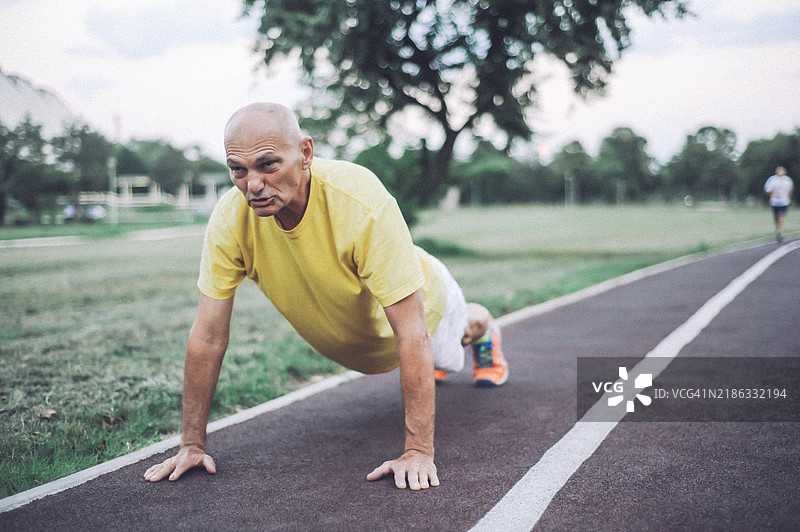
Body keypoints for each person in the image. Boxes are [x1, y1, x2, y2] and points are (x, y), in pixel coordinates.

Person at [143, 102, 508, 491]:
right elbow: (209, 335)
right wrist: (192, 443)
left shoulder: (360, 199)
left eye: (268, 165)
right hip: (361, 339)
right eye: (238, 169)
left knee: (454, 343)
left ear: (305, 154)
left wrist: (418, 451)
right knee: (430, 362)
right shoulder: (231, 218)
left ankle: (483, 328)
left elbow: (412, 331)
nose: (252, 184)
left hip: (426, 304)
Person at [764, 166, 794, 242]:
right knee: (776, 217)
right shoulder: (772, 180)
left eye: (782, 170)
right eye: (779, 170)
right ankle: (778, 228)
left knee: (781, 216)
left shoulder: (787, 180)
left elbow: (790, 190)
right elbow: (767, 189)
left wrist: (787, 197)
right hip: (775, 201)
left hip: (784, 202)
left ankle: (780, 232)